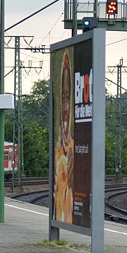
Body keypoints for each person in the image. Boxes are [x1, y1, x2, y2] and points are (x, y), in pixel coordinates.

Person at [54, 49, 74, 223]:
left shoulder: (75, 148)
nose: (66, 105)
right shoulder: (58, 151)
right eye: (63, 96)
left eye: (69, 97)